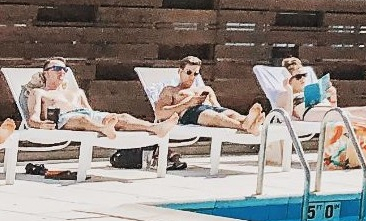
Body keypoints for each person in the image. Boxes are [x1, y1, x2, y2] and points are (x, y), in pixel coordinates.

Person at [23, 58, 172, 139]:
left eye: (64, 69)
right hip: (63, 119)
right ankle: (103, 129)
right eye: (56, 68)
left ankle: (154, 127)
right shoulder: (39, 92)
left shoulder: (77, 92)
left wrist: (104, 119)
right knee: (83, 119)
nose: (61, 72)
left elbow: (91, 113)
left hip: (87, 116)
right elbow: (32, 119)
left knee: (121, 117)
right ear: (46, 73)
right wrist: (41, 125)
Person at [153, 56, 263, 133]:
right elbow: (159, 113)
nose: (192, 77)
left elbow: (218, 108)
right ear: (179, 71)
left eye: (195, 74)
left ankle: (249, 122)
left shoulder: (205, 89)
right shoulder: (171, 90)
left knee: (230, 114)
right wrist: (188, 104)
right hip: (189, 113)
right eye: (189, 72)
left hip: (209, 109)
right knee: (215, 117)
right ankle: (247, 126)